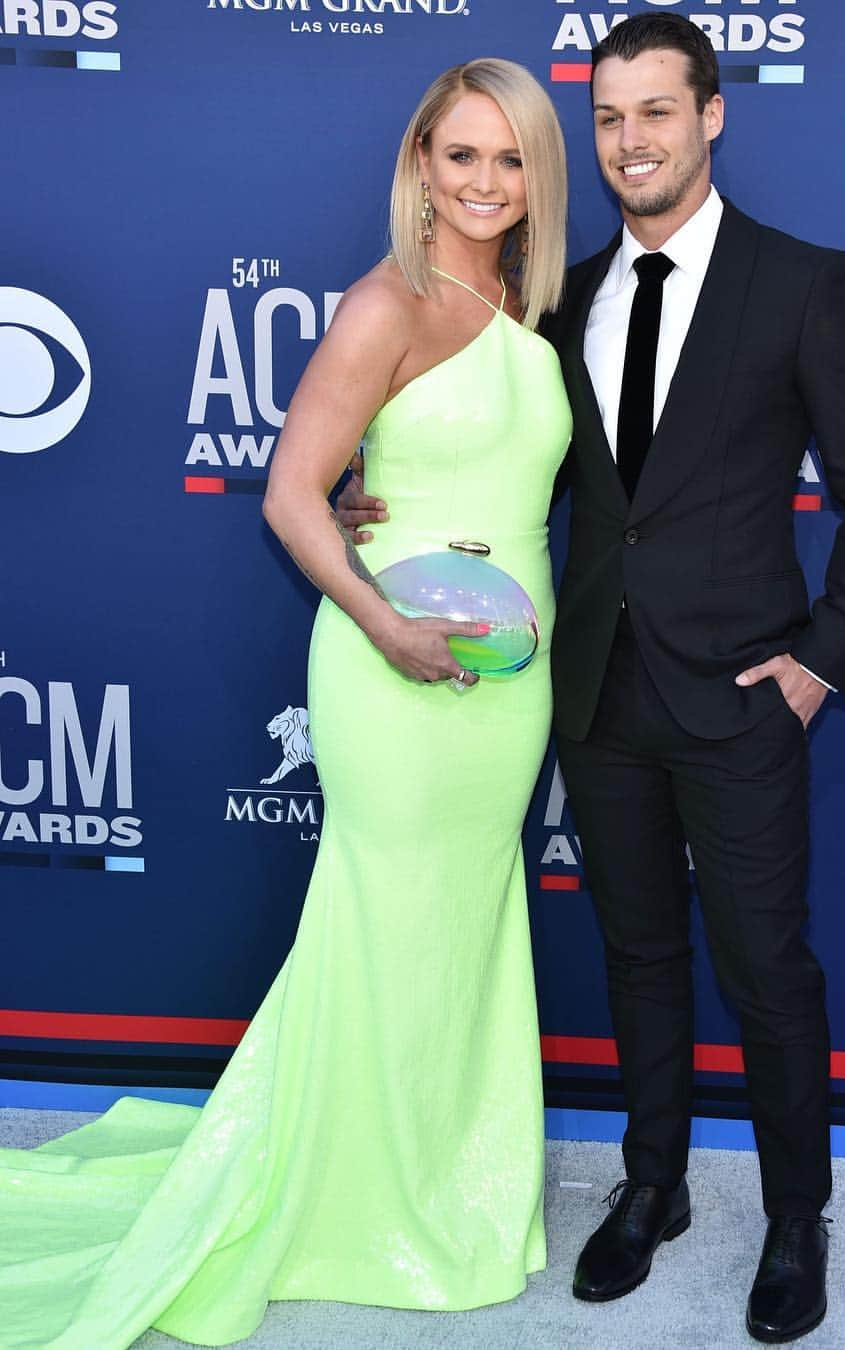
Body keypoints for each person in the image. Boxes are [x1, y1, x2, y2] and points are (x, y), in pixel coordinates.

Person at [339, 14, 845, 1344]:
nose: (629, 141)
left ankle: (792, 1219)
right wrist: (381, 497)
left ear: (712, 117)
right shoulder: (560, 295)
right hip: (596, 690)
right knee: (639, 952)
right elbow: (473, 435)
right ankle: (652, 1182)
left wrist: (823, 663)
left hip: (744, 691)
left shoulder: (801, 281)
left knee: (767, 966)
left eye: (656, 113)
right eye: (607, 119)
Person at [0, 59, 571, 1347]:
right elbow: (289, 494)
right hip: (395, 675)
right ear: (420, 161)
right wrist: (385, 625)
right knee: (385, 917)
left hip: (500, 689)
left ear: (538, 175)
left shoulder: (522, 305)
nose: (484, 183)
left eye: (512, 159)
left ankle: (439, 1181)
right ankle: (357, 1194)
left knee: (466, 926)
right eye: (460, 154)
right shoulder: (392, 302)